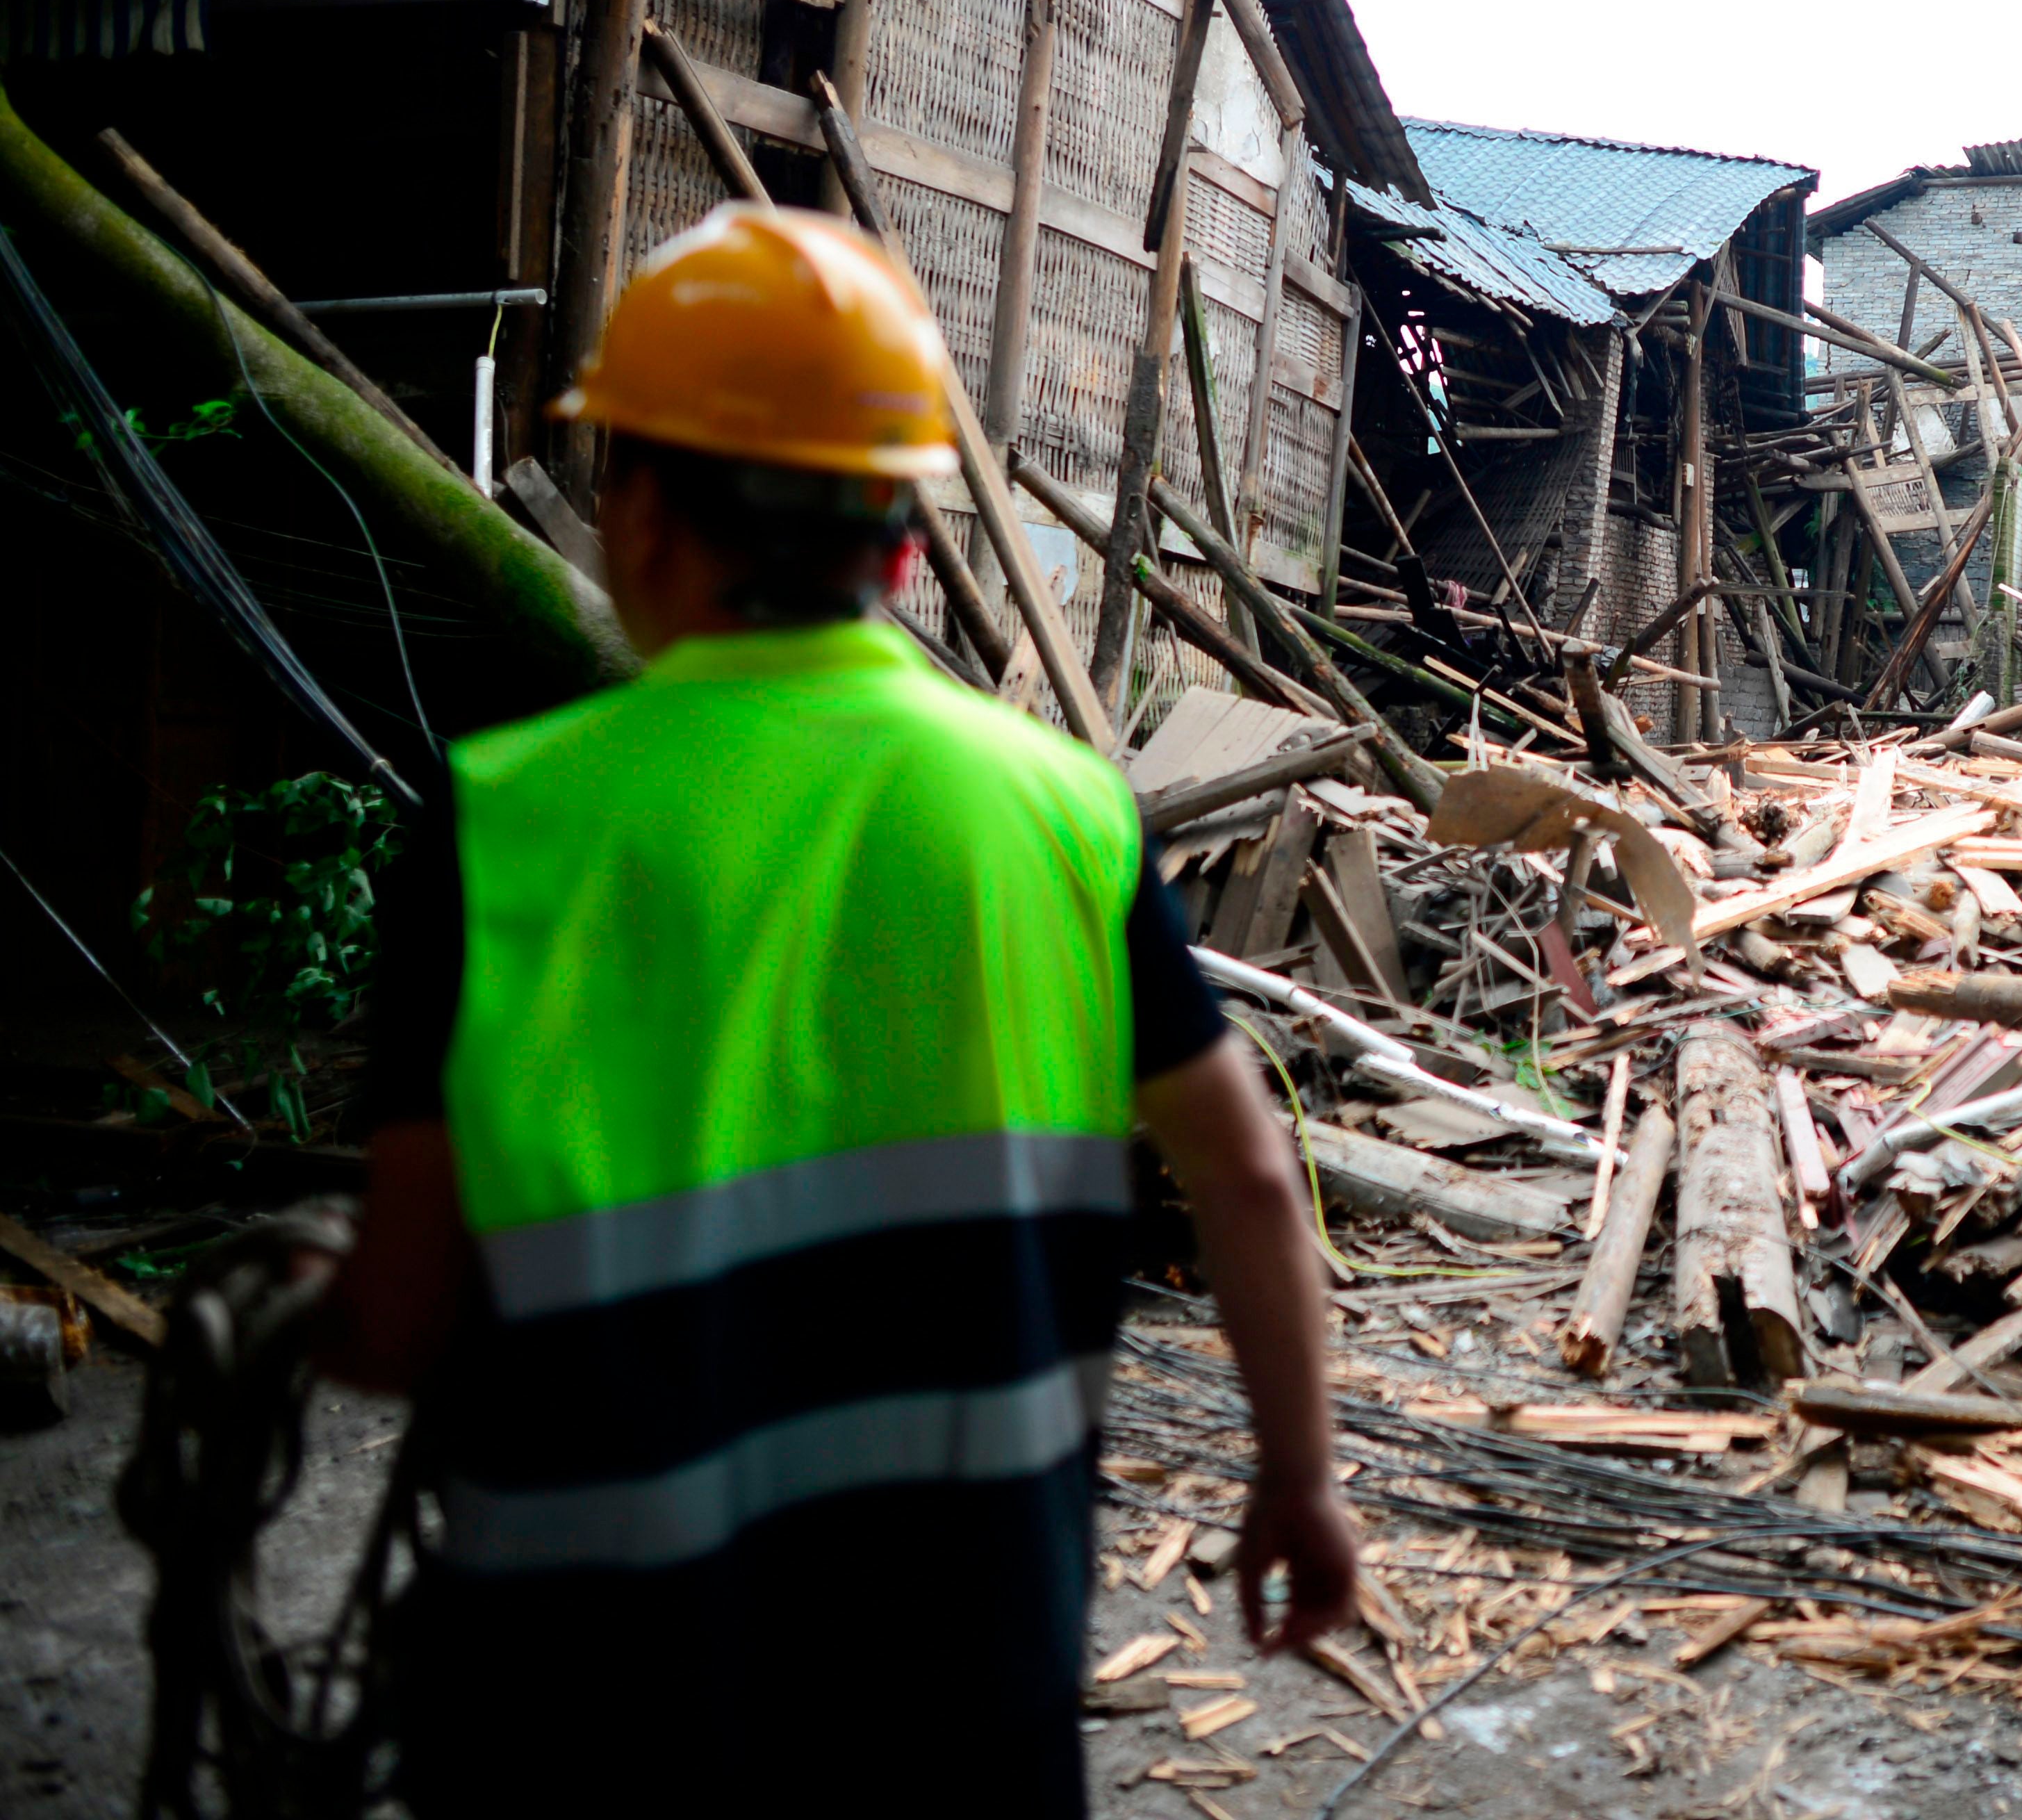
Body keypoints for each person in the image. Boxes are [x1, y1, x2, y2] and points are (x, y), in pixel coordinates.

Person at [316, 204, 1354, 1817]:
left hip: (584, 1704)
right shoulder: (1064, 812)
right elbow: (1250, 1177)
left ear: (642, 509)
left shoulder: (502, 818)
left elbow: (394, 1325)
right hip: (965, 1688)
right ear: (899, 536)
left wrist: (301, 1303)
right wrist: (1298, 1476)